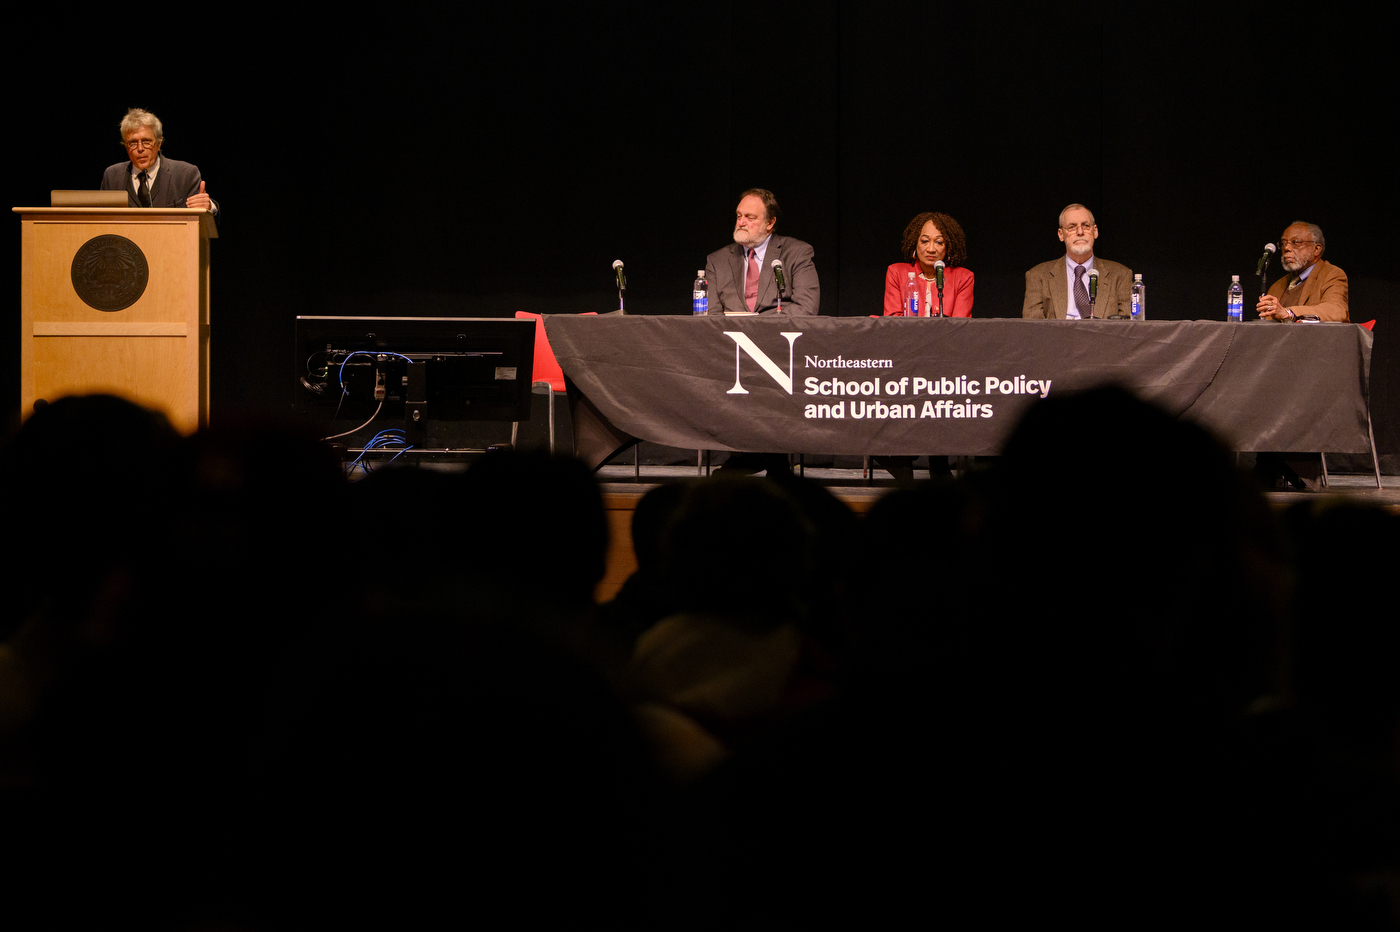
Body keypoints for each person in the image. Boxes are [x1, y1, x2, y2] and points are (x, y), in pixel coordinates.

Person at [705, 189, 818, 316]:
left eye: (750, 217)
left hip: (778, 333)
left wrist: (761, 329)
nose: (741, 223)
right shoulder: (717, 261)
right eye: (739, 216)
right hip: (729, 333)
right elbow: (711, 316)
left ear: (769, 223)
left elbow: (806, 307)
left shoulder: (796, 253)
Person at [100, 108, 218, 216]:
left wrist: (209, 207)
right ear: (126, 147)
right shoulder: (112, 176)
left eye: (146, 141)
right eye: (133, 143)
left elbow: (206, 225)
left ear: (158, 143)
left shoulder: (185, 174)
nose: (140, 148)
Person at [1022, 204, 1130, 319]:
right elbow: (1033, 327)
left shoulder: (1121, 275)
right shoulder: (1037, 276)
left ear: (1095, 231)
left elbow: (1127, 327)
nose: (1080, 232)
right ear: (1061, 234)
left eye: (1086, 226)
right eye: (1071, 227)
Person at [883, 212, 973, 317]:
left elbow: (960, 325)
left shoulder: (964, 278)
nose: (931, 249)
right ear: (915, 243)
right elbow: (892, 322)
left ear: (948, 247)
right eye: (925, 241)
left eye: (939, 242)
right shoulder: (896, 273)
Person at [1256, 222, 1348, 322]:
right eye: (1283, 243)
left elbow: (1336, 311)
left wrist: (1289, 313)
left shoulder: (1332, 275)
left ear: (1316, 249)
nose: (1286, 248)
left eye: (1296, 242)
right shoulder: (1277, 287)